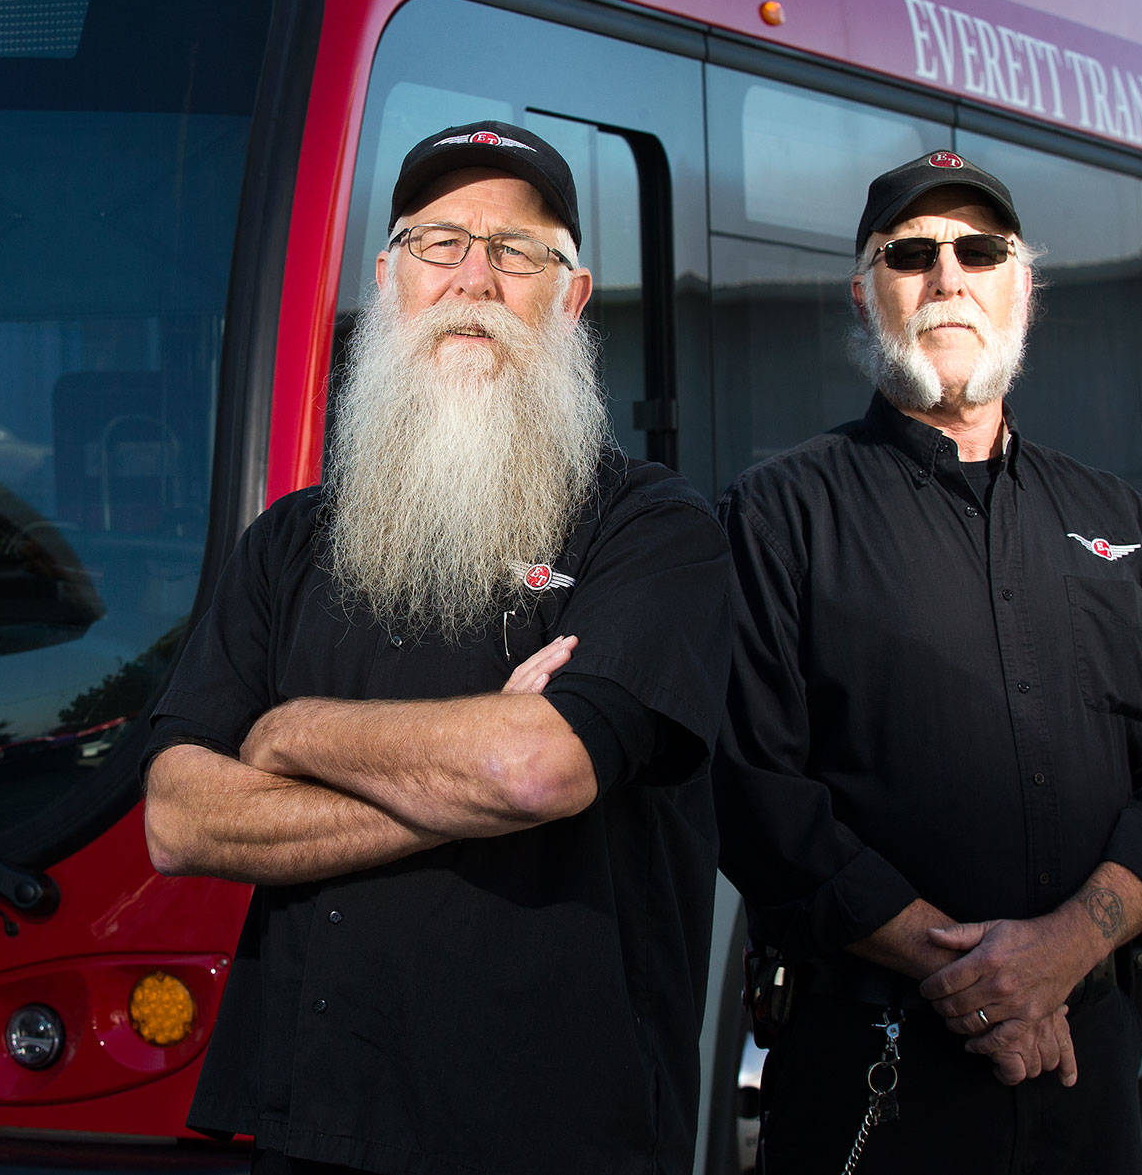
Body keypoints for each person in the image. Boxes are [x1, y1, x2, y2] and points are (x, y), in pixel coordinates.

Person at [141, 121, 731, 1175]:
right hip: (310, 1119)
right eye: (438, 242)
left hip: (552, 1131)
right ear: (388, 278)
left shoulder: (653, 528)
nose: (474, 278)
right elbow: (180, 815)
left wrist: (287, 730)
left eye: (517, 251)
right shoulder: (290, 538)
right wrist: (458, 775)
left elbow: (529, 765)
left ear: (571, 295)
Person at [714, 149, 1142, 1174]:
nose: (946, 276)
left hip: (1086, 1063)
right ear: (863, 290)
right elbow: (752, 788)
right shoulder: (776, 514)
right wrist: (985, 981)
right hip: (871, 1064)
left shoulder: (1116, 518)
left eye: (979, 250)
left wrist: (1065, 950)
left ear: (1022, 285)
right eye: (908, 253)